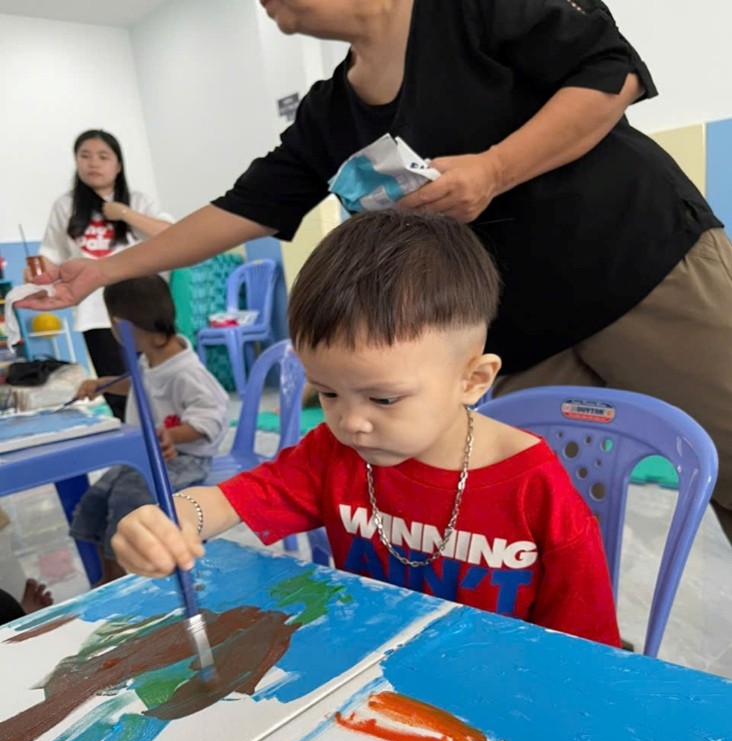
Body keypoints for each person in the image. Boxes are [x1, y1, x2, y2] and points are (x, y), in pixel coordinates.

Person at [20, 2, 732, 548]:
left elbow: (611, 71)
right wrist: (100, 272)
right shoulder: (330, 114)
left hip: (645, 268)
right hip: (524, 333)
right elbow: (243, 208)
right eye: (329, 393)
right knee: (545, 529)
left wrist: (495, 169)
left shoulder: (468, 12)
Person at [112, 211, 621, 648]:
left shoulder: (535, 488)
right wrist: (179, 517)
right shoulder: (331, 453)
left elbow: (586, 649)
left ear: (472, 380)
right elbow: (234, 498)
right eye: (328, 393)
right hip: (372, 668)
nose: (350, 422)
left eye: (384, 399)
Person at [69, 275, 229, 584]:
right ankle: (109, 578)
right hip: (148, 454)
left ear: (119, 326)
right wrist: (103, 385)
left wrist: (173, 435)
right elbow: (141, 385)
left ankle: (128, 584)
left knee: (126, 502)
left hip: (184, 458)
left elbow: (213, 417)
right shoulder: (151, 359)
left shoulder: (186, 371)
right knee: (95, 500)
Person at [27, 129, 173, 418]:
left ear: (118, 165)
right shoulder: (65, 206)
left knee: (157, 382)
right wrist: (36, 271)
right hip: (94, 311)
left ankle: (169, 436)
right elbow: (52, 255)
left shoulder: (138, 201)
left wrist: (125, 213)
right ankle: (132, 439)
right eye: (85, 156)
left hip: (143, 306)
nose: (93, 163)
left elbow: (171, 235)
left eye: (103, 156)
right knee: (116, 389)